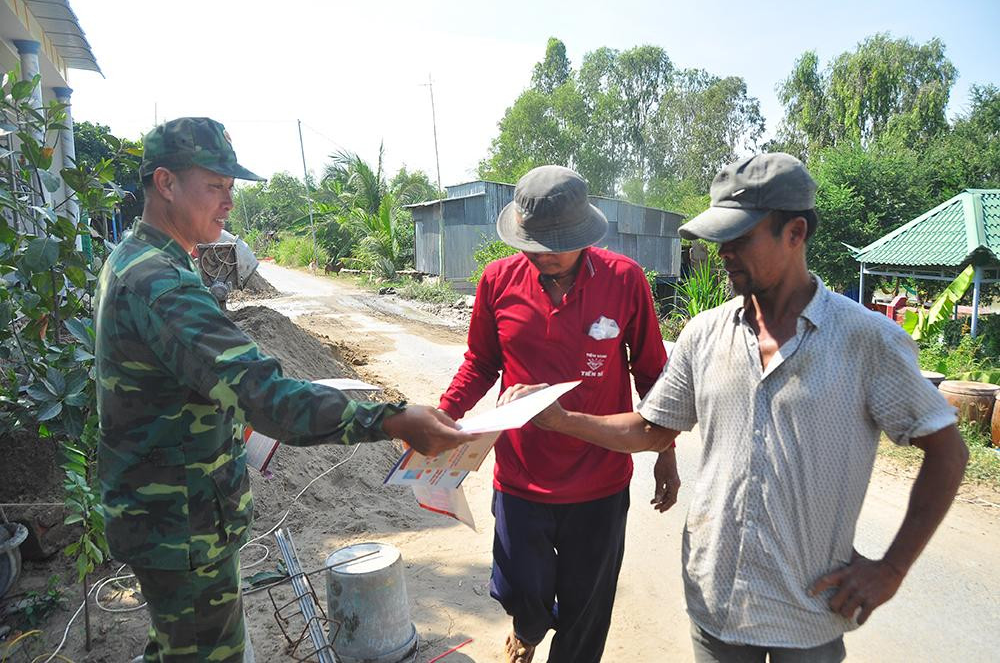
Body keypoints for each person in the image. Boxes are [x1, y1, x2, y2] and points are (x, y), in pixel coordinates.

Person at [510, 153, 969, 662]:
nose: (723, 252)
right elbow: (650, 429)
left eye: (740, 238)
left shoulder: (867, 341)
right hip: (715, 606)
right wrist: (561, 419)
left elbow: (947, 451)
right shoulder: (704, 335)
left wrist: (892, 569)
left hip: (810, 614)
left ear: (795, 232)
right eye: (719, 238)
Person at [95, 117, 473, 663]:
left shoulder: (133, 257)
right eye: (214, 187)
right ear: (166, 183)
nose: (228, 203)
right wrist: (389, 419)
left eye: (231, 189)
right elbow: (266, 396)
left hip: (167, 518)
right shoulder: (161, 284)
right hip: (181, 527)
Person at [438, 165, 668, 663]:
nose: (541, 255)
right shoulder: (498, 280)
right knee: (525, 593)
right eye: (532, 243)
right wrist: (443, 415)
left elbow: (653, 375)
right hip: (521, 478)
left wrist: (665, 455)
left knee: (587, 614)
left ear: (583, 235)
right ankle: (528, 626)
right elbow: (480, 362)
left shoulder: (624, 281)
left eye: (554, 244)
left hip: (601, 482)